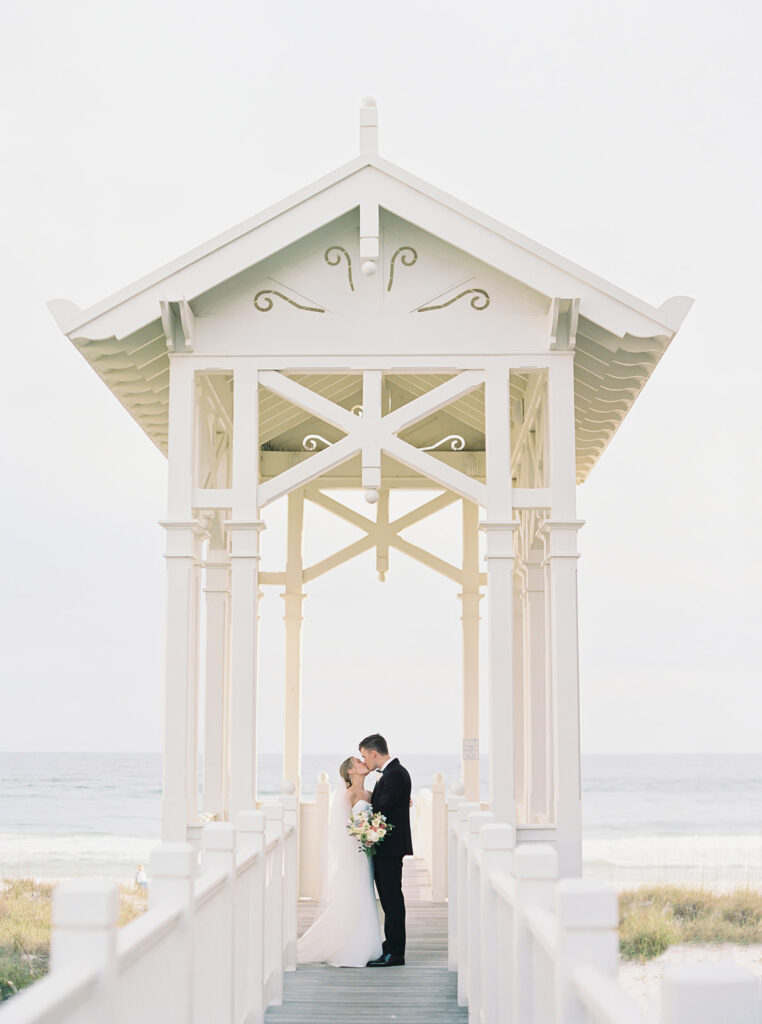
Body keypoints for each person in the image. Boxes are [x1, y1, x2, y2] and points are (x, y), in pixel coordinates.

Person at [296, 756, 383, 967]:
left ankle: (368, 943)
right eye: (358, 762)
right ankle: (351, 945)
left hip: (367, 853)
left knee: (366, 892)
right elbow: (342, 828)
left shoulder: (370, 794)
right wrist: (362, 835)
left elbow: (381, 812)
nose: (364, 763)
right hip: (354, 854)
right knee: (356, 892)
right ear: (351, 771)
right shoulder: (348, 795)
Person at [359, 733, 413, 967]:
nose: (365, 761)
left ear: (373, 753)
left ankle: (395, 953)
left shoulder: (396, 774)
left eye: (364, 756)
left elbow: (382, 808)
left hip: (390, 847)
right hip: (386, 846)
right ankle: (390, 946)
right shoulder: (391, 775)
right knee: (389, 899)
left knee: (392, 900)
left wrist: (359, 802)